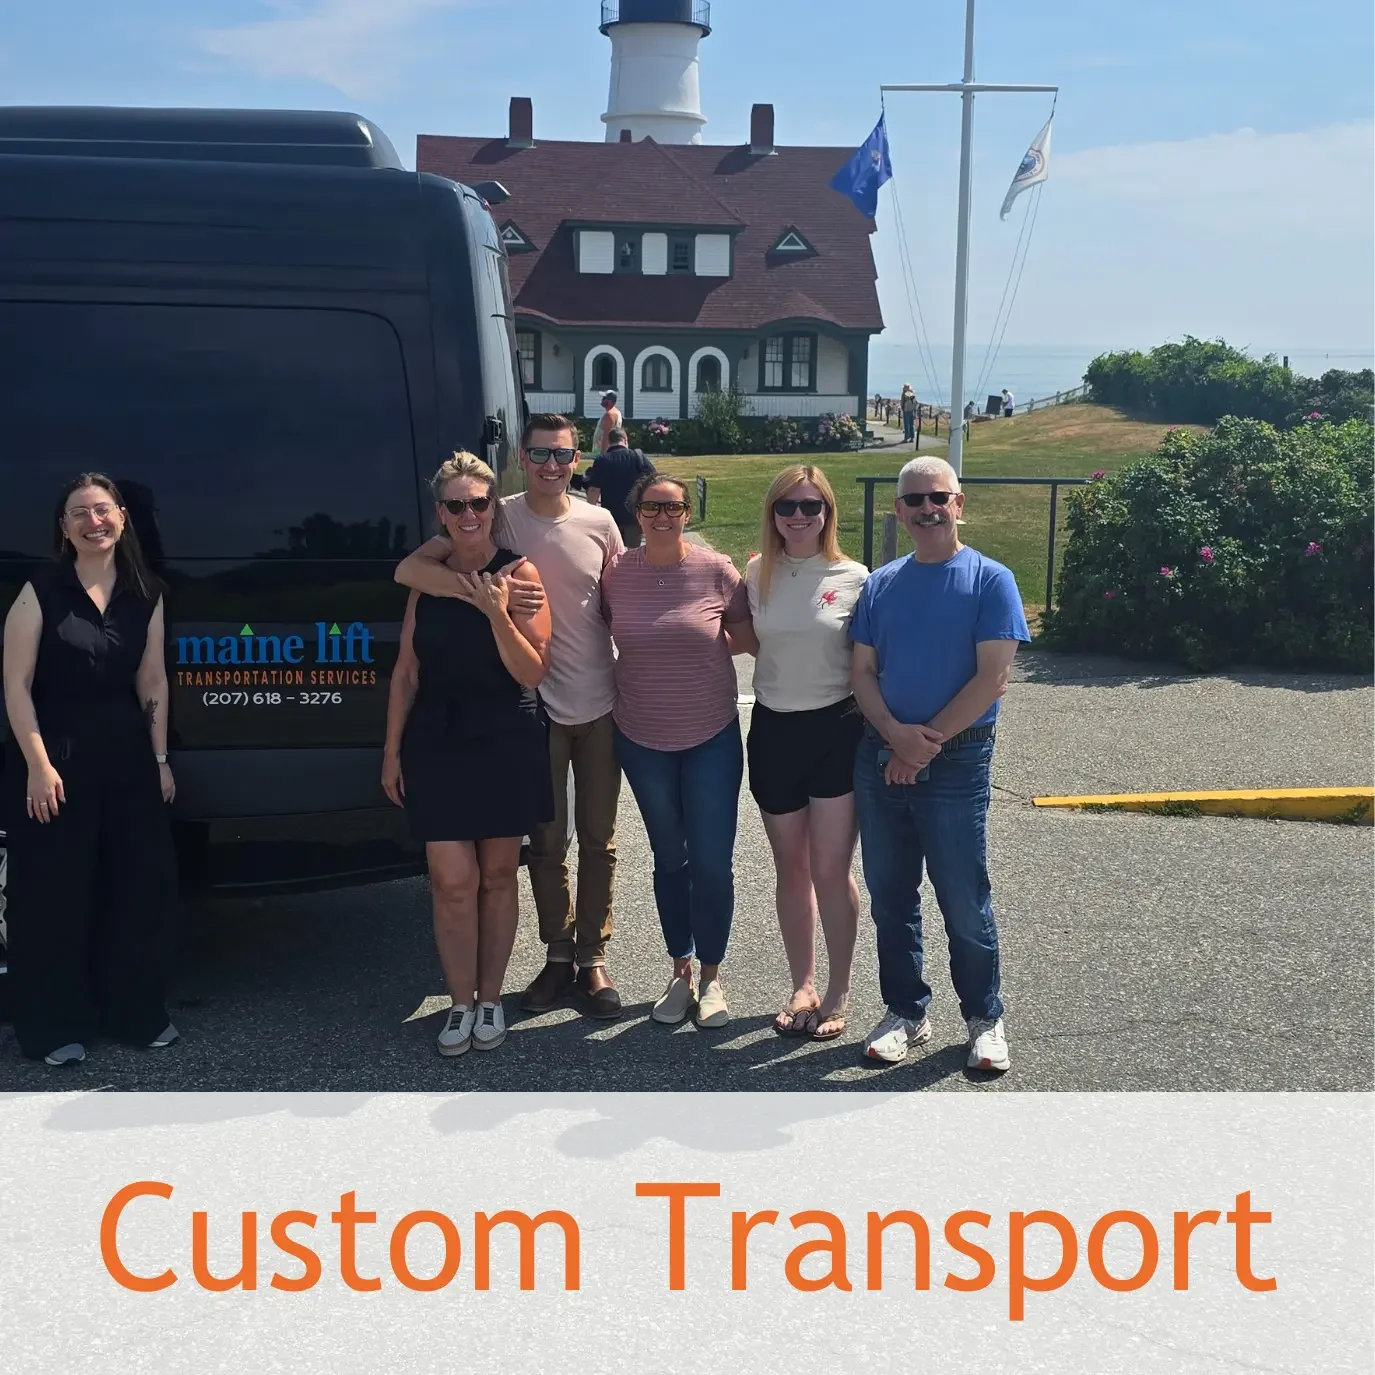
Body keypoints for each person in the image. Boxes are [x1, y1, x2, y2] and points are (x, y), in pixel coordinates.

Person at [394, 416, 626, 1021]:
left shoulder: (600, 522)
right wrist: (477, 594)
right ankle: (556, 956)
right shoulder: (502, 516)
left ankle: (593, 956)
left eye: (563, 455)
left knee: (598, 839)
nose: (552, 465)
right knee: (545, 845)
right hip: (534, 708)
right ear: (522, 459)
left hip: (596, 697)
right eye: (540, 454)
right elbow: (409, 571)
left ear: (578, 459)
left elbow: (620, 600)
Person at [849, 455, 1029, 1074]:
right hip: (881, 754)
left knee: (962, 897)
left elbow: (993, 678)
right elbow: (862, 671)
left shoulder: (991, 580)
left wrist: (922, 746)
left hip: (957, 759)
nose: (927, 508)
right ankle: (906, 1012)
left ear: (959, 504)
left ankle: (984, 1019)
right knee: (890, 896)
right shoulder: (881, 584)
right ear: (899, 512)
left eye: (938, 497)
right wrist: (894, 737)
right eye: (915, 500)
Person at [1, 473, 178, 1066]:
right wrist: (37, 764)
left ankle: (135, 1015)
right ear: (64, 527)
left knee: (135, 889)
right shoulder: (40, 589)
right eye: (79, 513)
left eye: (102, 510)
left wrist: (159, 760)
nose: (92, 521)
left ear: (122, 517)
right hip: (55, 756)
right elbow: (16, 683)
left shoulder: (147, 593)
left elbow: (152, 681)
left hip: (126, 755)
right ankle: (54, 1028)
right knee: (53, 896)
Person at [382, 453, 554, 1057]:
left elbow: (532, 670)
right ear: (441, 513)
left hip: (506, 735)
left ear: (492, 507)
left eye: (478, 502)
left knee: (499, 875)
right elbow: (407, 671)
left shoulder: (522, 574)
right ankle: (459, 1003)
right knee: (451, 881)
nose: (468, 514)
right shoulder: (426, 577)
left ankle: (490, 999)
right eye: (456, 505)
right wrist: (391, 751)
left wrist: (495, 611)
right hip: (437, 738)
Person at [601, 474, 755, 1029]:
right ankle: (680, 971)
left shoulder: (717, 569)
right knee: (669, 858)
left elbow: (748, 638)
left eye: (673, 507)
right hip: (641, 738)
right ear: (636, 513)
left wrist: (699, 645)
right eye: (651, 507)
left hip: (711, 735)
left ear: (688, 513)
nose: (662, 517)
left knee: (712, 861)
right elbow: (601, 630)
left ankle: (712, 976)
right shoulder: (616, 572)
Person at [745, 465, 868, 1042]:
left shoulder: (854, 577)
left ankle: (839, 989)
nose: (798, 516)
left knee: (829, 869)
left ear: (827, 513)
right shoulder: (756, 573)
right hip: (773, 729)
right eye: (786, 506)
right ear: (772, 514)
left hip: (835, 730)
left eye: (810, 506)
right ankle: (803, 984)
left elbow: (871, 659)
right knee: (790, 868)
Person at [584, 426, 656, 548]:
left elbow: (593, 489)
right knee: (633, 552)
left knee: (613, 551)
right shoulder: (637, 457)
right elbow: (654, 480)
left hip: (611, 517)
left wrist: (590, 512)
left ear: (609, 441)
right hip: (634, 515)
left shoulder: (602, 460)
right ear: (625, 440)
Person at [593, 390, 623, 457]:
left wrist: (603, 455)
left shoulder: (610, 415)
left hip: (605, 452)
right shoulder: (615, 412)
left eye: (604, 398)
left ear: (609, 401)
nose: (602, 400)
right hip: (610, 452)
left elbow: (606, 436)